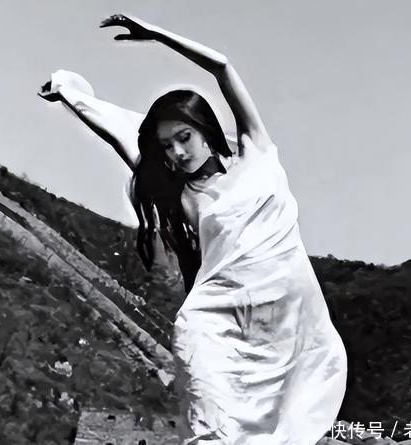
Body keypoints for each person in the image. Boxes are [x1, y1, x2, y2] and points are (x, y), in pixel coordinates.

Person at [39, 14, 347, 445]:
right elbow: (117, 134)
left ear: (204, 128)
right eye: (167, 146)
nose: (177, 152)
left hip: (287, 314)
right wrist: (71, 94)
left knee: (285, 417)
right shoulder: (181, 194)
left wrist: (155, 34)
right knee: (208, 415)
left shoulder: (257, 153)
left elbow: (222, 67)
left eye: (184, 137)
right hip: (216, 315)